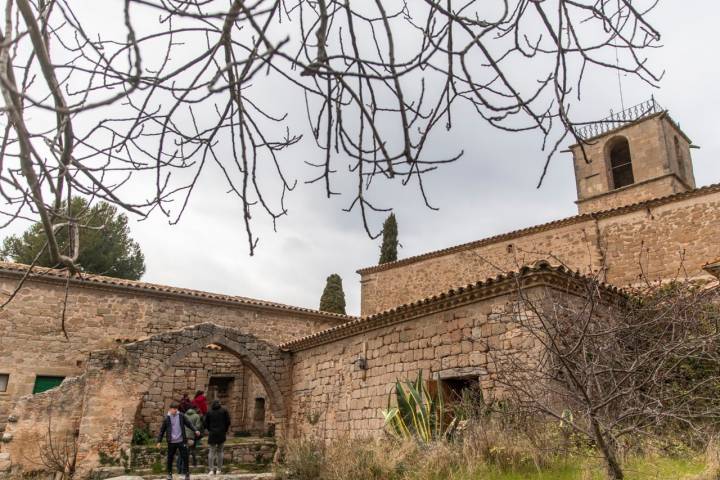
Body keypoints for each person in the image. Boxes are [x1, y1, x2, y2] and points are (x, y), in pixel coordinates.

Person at [156, 401, 201, 480]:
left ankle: (187, 474)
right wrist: (159, 441)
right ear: (170, 409)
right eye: (174, 409)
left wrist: (195, 430)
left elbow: (189, 424)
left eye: (176, 408)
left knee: (185, 457)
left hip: (181, 441)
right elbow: (162, 431)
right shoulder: (167, 418)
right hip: (171, 442)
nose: (175, 410)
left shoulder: (181, 416)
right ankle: (169, 474)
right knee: (170, 458)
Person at [204, 399, 231, 476]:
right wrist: (224, 430)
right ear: (219, 404)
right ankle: (219, 469)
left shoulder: (209, 412)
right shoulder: (224, 411)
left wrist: (210, 429)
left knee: (211, 451)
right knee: (220, 451)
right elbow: (228, 422)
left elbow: (205, 423)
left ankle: (211, 470)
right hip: (221, 433)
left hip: (212, 433)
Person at [176, 407, 203, 472]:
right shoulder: (196, 416)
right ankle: (193, 463)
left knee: (181, 452)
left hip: (183, 436)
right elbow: (198, 426)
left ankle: (179, 468)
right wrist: (194, 430)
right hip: (191, 437)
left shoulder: (184, 415)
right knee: (191, 450)